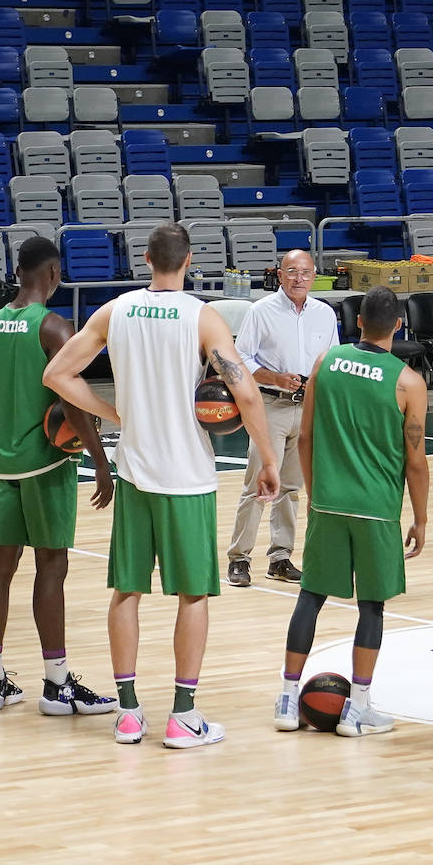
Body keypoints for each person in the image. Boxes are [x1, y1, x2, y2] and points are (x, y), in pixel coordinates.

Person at [44, 222, 281, 748]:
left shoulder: (115, 310)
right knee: (192, 596)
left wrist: (112, 412)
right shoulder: (203, 316)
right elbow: (244, 393)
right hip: (188, 477)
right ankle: (183, 716)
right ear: (190, 260)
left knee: (126, 591)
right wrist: (268, 459)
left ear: (147, 258)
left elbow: (58, 375)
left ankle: (128, 713)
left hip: (134, 473)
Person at [273, 287, 429, 737]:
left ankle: (287, 700)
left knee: (310, 596)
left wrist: (316, 488)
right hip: (377, 509)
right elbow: (416, 461)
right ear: (399, 325)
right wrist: (421, 518)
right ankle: (357, 709)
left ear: (358, 321)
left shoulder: (326, 362)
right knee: (372, 607)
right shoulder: (407, 382)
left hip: (328, 499)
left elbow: (305, 437)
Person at [0, 236, 116, 715]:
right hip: (48, 464)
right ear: (54, 273)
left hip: (6, 461)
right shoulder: (54, 326)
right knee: (51, 566)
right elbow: (73, 407)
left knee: (2, 566)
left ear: (19, 272)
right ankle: (58, 685)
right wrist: (100, 459)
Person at [225, 249, 339, 587]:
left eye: (305, 272)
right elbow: (239, 356)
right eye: (292, 271)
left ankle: (280, 557)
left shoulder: (324, 313)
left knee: (291, 488)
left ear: (314, 274)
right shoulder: (261, 311)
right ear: (280, 274)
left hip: (307, 409)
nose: (299, 278)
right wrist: (274, 378)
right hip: (270, 406)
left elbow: (330, 359)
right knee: (259, 484)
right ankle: (239, 559)